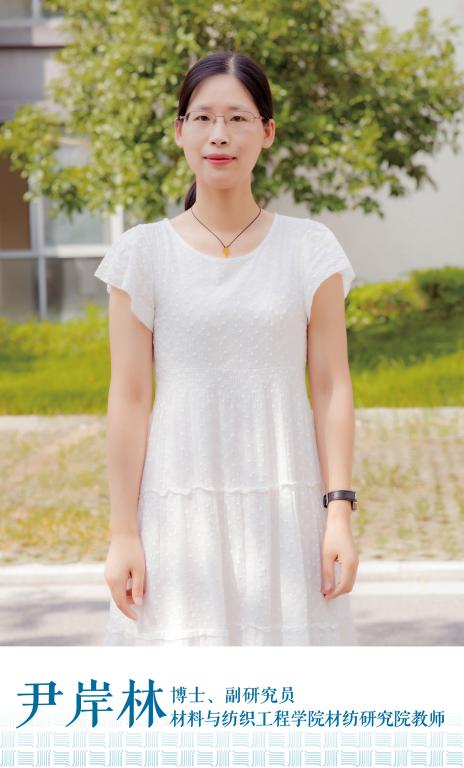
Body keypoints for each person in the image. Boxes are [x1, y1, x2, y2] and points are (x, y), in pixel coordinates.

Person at [94, 49, 359, 646]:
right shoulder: (143, 254)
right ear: (180, 131)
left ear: (267, 132)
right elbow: (129, 398)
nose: (220, 135)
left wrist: (338, 513)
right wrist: (123, 533)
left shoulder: (310, 249)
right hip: (178, 502)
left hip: (288, 501)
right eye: (203, 118)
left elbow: (331, 386)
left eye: (239, 119)